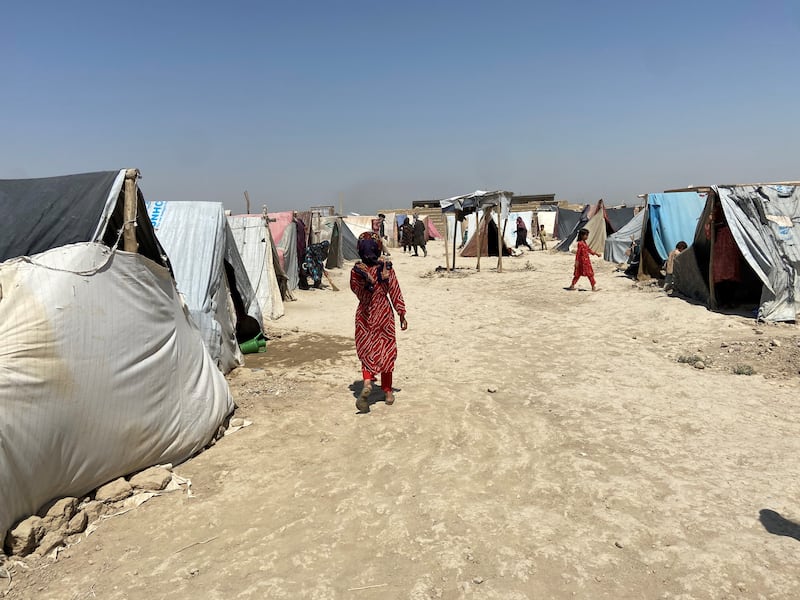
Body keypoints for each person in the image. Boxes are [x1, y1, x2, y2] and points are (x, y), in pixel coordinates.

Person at [350, 232, 408, 412]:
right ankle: (388, 391)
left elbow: (356, 291)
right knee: (387, 349)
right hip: (384, 313)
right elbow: (395, 290)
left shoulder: (356, 271)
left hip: (365, 314)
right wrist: (401, 313)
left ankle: (367, 381)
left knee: (366, 348)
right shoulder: (386, 268)